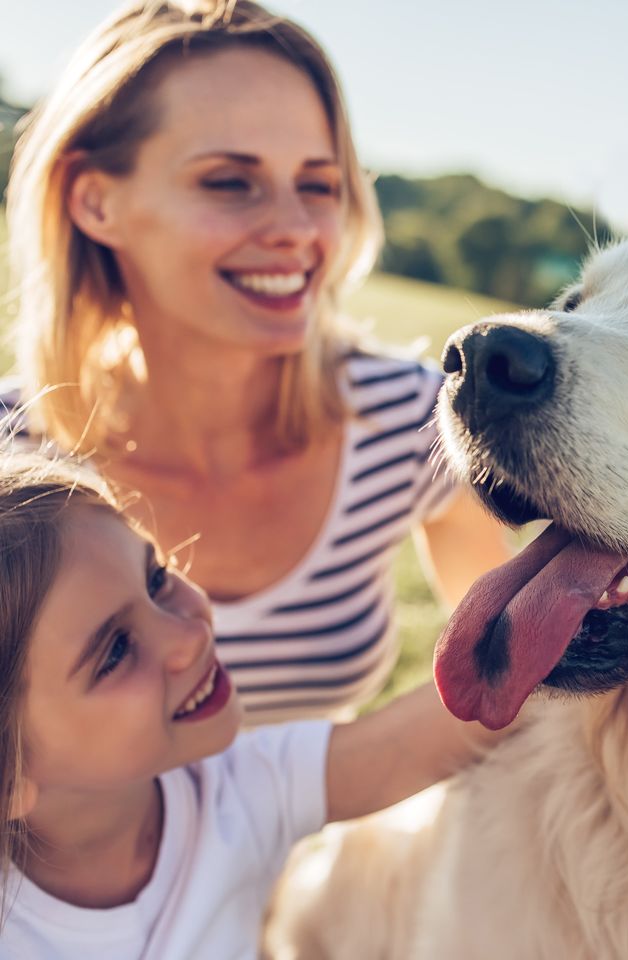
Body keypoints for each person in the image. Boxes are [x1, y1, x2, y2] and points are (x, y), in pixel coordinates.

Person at [3, 0, 512, 724]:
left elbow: (509, 687)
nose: (298, 230)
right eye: (229, 182)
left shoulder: (410, 419)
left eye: (318, 184)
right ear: (94, 201)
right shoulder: (10, 460)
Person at [0, 449, 504, 957]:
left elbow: (428, 734)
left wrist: (561, 607)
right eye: (114, 652)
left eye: (155, 579)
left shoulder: (237, 792)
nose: (190, 635)